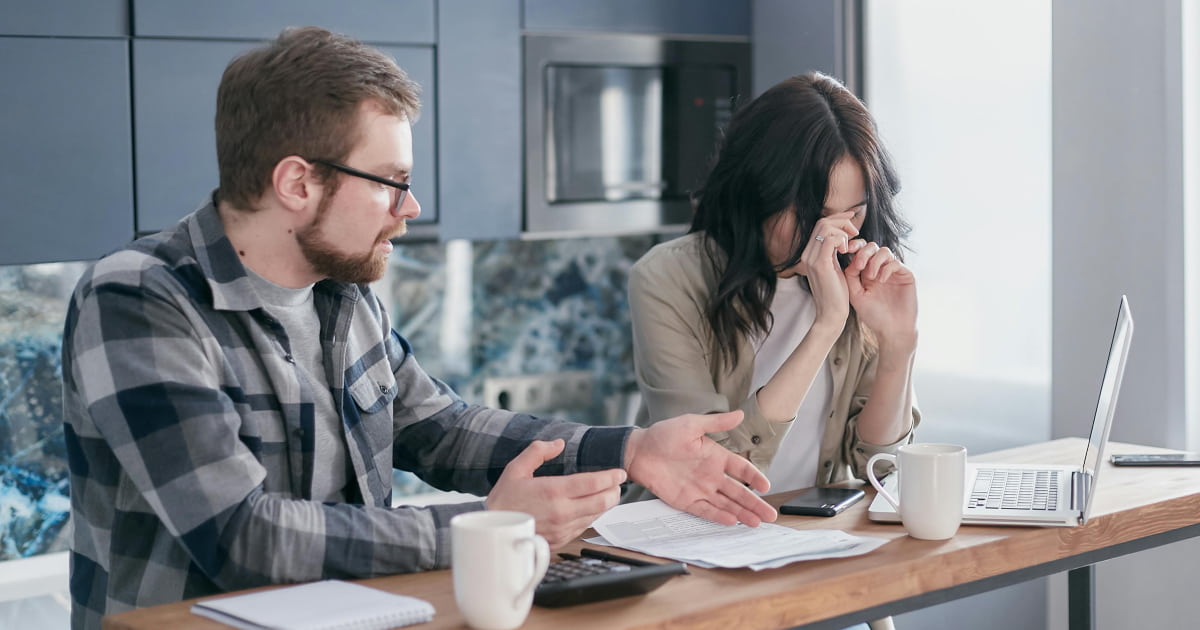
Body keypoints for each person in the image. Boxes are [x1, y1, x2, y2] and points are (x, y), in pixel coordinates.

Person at [61, 26, 775, 630]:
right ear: (297, 183)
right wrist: (486, 531)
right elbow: (240, 535)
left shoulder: (341, 290)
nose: (411, 206)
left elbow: (440, 428)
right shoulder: (139, 299)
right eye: (390, 181)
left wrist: (633, 447)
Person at [627, 71, 920, 497]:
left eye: (853, 213)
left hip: (805, 538)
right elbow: (706, 473)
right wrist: (826, 325)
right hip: (685, 535)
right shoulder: (666, 279)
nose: (835, 234)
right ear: (757, 193)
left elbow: (879, 467)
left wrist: (899, 344)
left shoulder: (864, 274)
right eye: (812, 214)